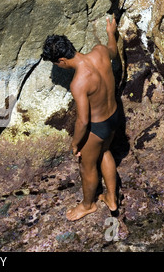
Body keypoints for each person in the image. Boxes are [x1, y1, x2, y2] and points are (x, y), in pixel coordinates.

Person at [41, 17, 119, 221]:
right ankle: (111, 198)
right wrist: (111, 32)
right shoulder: (100, 50)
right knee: (105, 151)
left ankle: (87, 205)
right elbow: (114, 51)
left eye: (57, 65)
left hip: (97, 126)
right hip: (114, 116)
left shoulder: (79, 82)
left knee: (87, 166)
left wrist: (76, 144)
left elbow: (83, 120)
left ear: (62, 61)